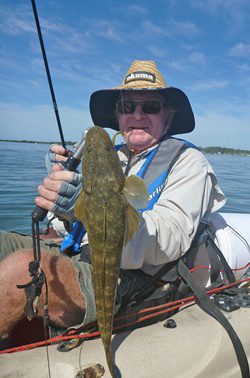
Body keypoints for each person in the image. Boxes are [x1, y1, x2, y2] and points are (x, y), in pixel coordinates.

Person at [0, 60, 226, 342]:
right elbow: (69, 224)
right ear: (118, 116)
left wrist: (98, 210)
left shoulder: (189, 162)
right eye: (127, 106)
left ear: (168, 116)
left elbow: (172, 237)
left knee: (23, 266)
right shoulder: (110, 155)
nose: (137, 114)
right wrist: (64, 197)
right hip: (82, 255)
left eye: (151, 106)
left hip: (134, 280)